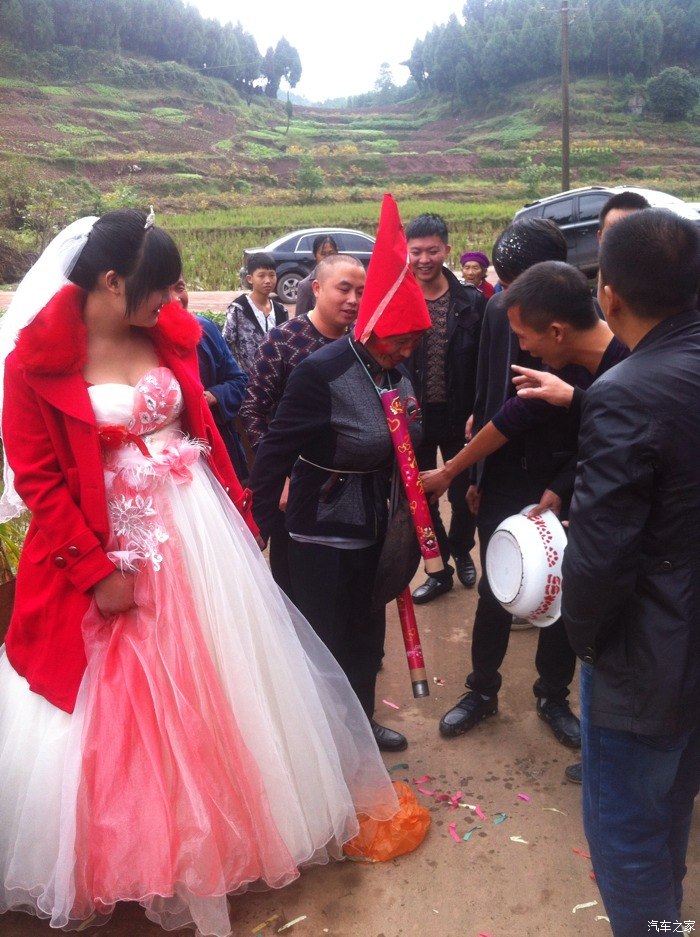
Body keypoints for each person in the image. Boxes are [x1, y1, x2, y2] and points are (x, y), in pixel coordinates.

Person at [0, 210, 398, 936]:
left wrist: (240, 512)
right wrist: (93, 570)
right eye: (160, 288)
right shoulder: (35, 361)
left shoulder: (168, 332)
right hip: (102, 546)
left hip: (195, 536)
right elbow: (38, 478)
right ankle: (133, 858)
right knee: (118, 705)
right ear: (113, 281)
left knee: (222, 679)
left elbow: (203, 427)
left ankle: (230, 833)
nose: (172, 300)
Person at [249, 195, 431, 753]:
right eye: (401, 337)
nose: (408, 348)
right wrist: (261, 525)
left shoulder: (393, 367)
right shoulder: (319, 372)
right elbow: (273, 451)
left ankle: (361, 726)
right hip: (321, 526)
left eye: (414, 339)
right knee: (323, 637)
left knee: (365, 634)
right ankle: (320, 742)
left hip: (376, 523)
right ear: (375, 328)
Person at [562, 208, 700, 937]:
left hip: (646, 656)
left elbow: (601, 555)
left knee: (627, 837)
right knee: (669, 806)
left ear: (608, 296)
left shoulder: (627, 390)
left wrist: (585, 640)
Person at [438, 218, 583, 748]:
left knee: (561, 586)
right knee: (496, 586)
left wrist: (565, 483)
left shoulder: (582, 322)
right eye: (506, 281)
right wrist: (475, 476)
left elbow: (596, 422)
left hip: (563, 476)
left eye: (518, 281)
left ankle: (553, 694)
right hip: (502, 471)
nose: (510, 295)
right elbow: (488, 395)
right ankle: (482, 689)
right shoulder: (501, 310)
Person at [240, 253, 363, 596]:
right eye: (344, 289)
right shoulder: (283, 340)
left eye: (360, 292)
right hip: (293, 489)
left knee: (346, 588)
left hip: (349, 489)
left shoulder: (361, 343)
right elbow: (253, 410)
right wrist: (278, 477)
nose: (353, 300)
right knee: (295, 588)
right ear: (317, 288)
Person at [402, 213, 486, 604]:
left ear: (446, 250)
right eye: (416, 251)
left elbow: (484, 362)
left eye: (432, 251)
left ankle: (463, 548)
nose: (424, 259)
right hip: (414, 418)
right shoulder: (399, 300)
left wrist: (479, 409)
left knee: (464, 491)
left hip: (460, 415)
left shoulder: (471, 302)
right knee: (422, 495)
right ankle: (438, 569)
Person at [171, 274, 249, 482]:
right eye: (165, 291)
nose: (176, 298)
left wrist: (213, 396)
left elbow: (239, 381)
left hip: (216, 442)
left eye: (180, 288)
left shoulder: (205, 330)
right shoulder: (140, 343)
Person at [222, 252, 288, 375]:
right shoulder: (238, 309)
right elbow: (226, 344)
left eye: (272, 275)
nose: (267, 281)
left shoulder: (281, 311)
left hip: (275, 379)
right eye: (261, 276)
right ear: (250, 279)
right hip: (247, 380)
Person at [294, 233, 339, 316]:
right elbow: (300, 319)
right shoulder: (306, 286)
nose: (328, 258)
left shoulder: (346, 279)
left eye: (331, 253)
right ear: (315, 255)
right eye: (323, 254)